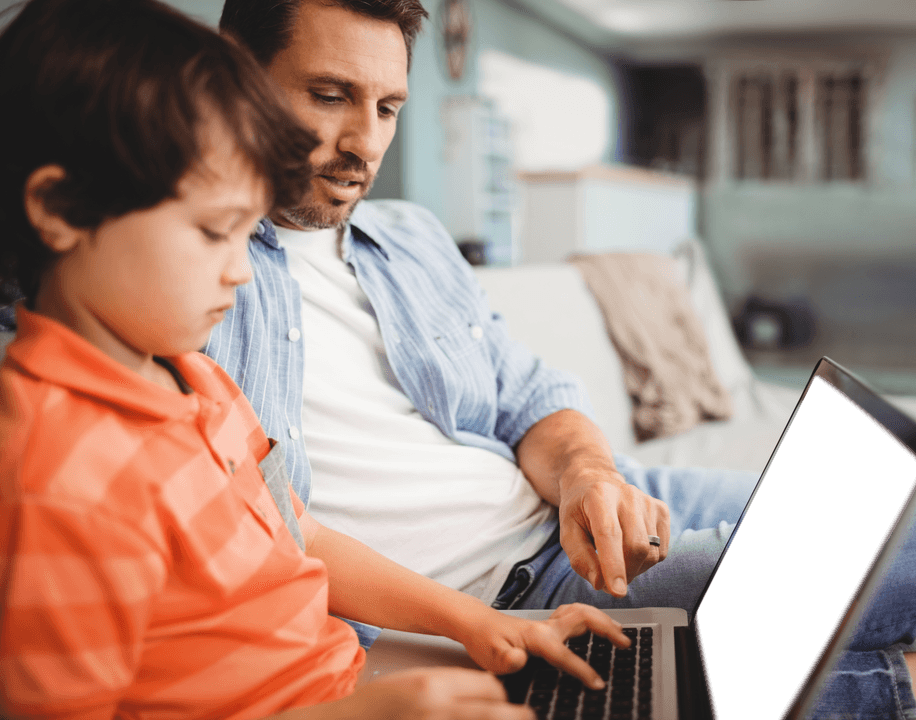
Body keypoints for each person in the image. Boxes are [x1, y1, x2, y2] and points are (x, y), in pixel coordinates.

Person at [0, 1, 631, 717]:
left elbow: (302, 536)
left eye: (248, 233)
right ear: (57, 208)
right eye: (213, 232)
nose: (243, 273)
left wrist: (476, 623)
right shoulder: (51, 473)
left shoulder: (195, 381)